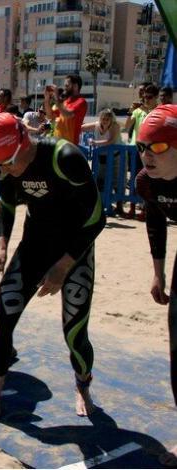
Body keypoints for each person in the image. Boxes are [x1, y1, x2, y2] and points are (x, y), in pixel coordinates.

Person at [0, 112, 105, 431]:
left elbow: (97, 218)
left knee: (74, 334)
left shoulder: (64, 157)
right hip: (36, 244)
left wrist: (63, 266)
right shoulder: (5, 162)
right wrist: (1, 246)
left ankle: (83, 385)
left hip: (75, 248)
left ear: (25, 144)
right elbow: (8, 205)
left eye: (8, 163)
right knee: (2, 318)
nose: (5, 171)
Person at [132, 105, 177, 467]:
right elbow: (156, 222)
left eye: (158, 147)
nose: (147, 154)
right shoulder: (147, 180)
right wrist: (158, 273)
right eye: (142, 146)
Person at [125, 83, 159, 220]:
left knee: (151, 180)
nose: (146, 100)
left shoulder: (159, 111)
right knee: (134, 179)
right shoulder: (138, 111)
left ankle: (146, 209)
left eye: (149, 97)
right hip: (137, 150)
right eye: (144, 97)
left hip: (153, 151)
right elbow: (127, 126)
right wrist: (130, 111)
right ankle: (132, 208)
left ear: (156, 97)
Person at [44, 74, 87, 145]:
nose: (65, 88)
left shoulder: (81, 101)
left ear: (75, 86)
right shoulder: (64, 102)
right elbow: (49, 116)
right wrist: (47, 98)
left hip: (70, 145)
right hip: (58, 143)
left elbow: (67, 115)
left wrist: (57, 97)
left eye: (67, 86)